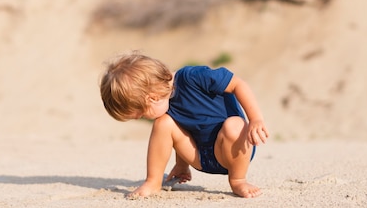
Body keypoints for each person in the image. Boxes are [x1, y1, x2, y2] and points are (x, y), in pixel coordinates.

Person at [99, 52, 269, 198]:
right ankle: (153, 181)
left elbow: (238, 84)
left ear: (151, 98)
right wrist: (182, 165)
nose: (144, 119)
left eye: (142, 114)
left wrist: (255, 119)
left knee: (234, 125)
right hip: (202, 158)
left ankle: (238, 180)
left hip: (232, 152)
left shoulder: (194, 77)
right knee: (163, 123)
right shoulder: (165, 106)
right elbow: (187, 128)